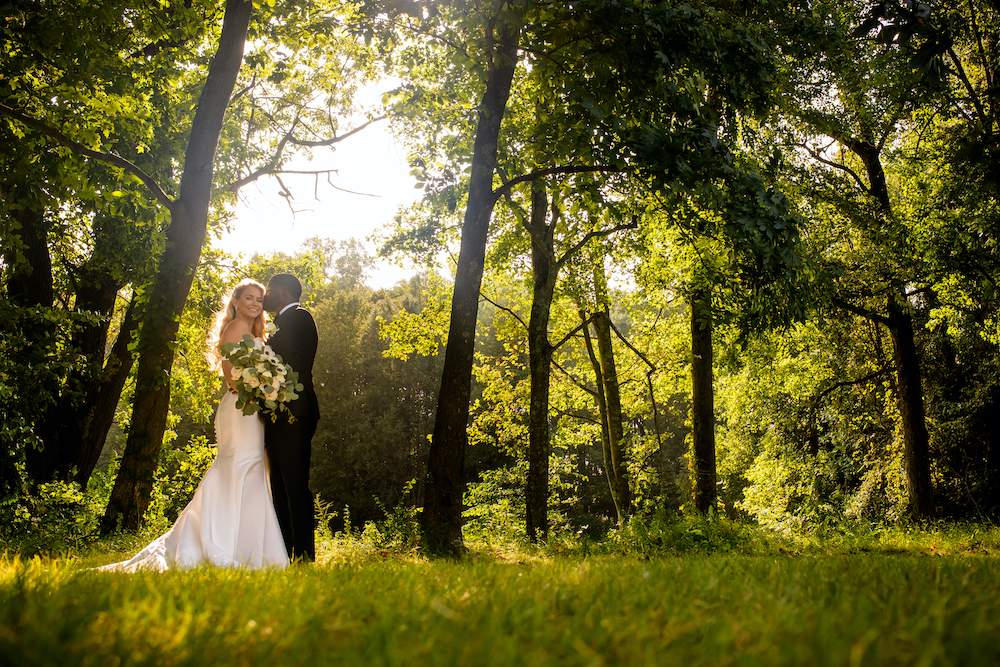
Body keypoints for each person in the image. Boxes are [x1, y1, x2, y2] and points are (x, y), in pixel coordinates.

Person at [99, 279, 289, 571]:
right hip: (240, 410)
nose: (255, 303)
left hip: (252, 410)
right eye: (248, 297)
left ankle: (244, 545)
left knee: (250, 469)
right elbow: (231, 377)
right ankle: (219, 541)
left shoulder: (255, 333)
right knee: (238, 467)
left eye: (260, 299)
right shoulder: (236, 328)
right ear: (236, 301)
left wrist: (271, 387)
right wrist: (263, 386)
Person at [261, 273, 320, 562]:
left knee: (295, 485)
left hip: (295, 412)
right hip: (275, 414)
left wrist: (260, 358)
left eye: (269, 290)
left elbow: (294, 364)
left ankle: (305, 557)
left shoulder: (299, 317)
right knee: (280, 490)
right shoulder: (281, 323)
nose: (265, 295)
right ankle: (284, 555)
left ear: (283, 293)